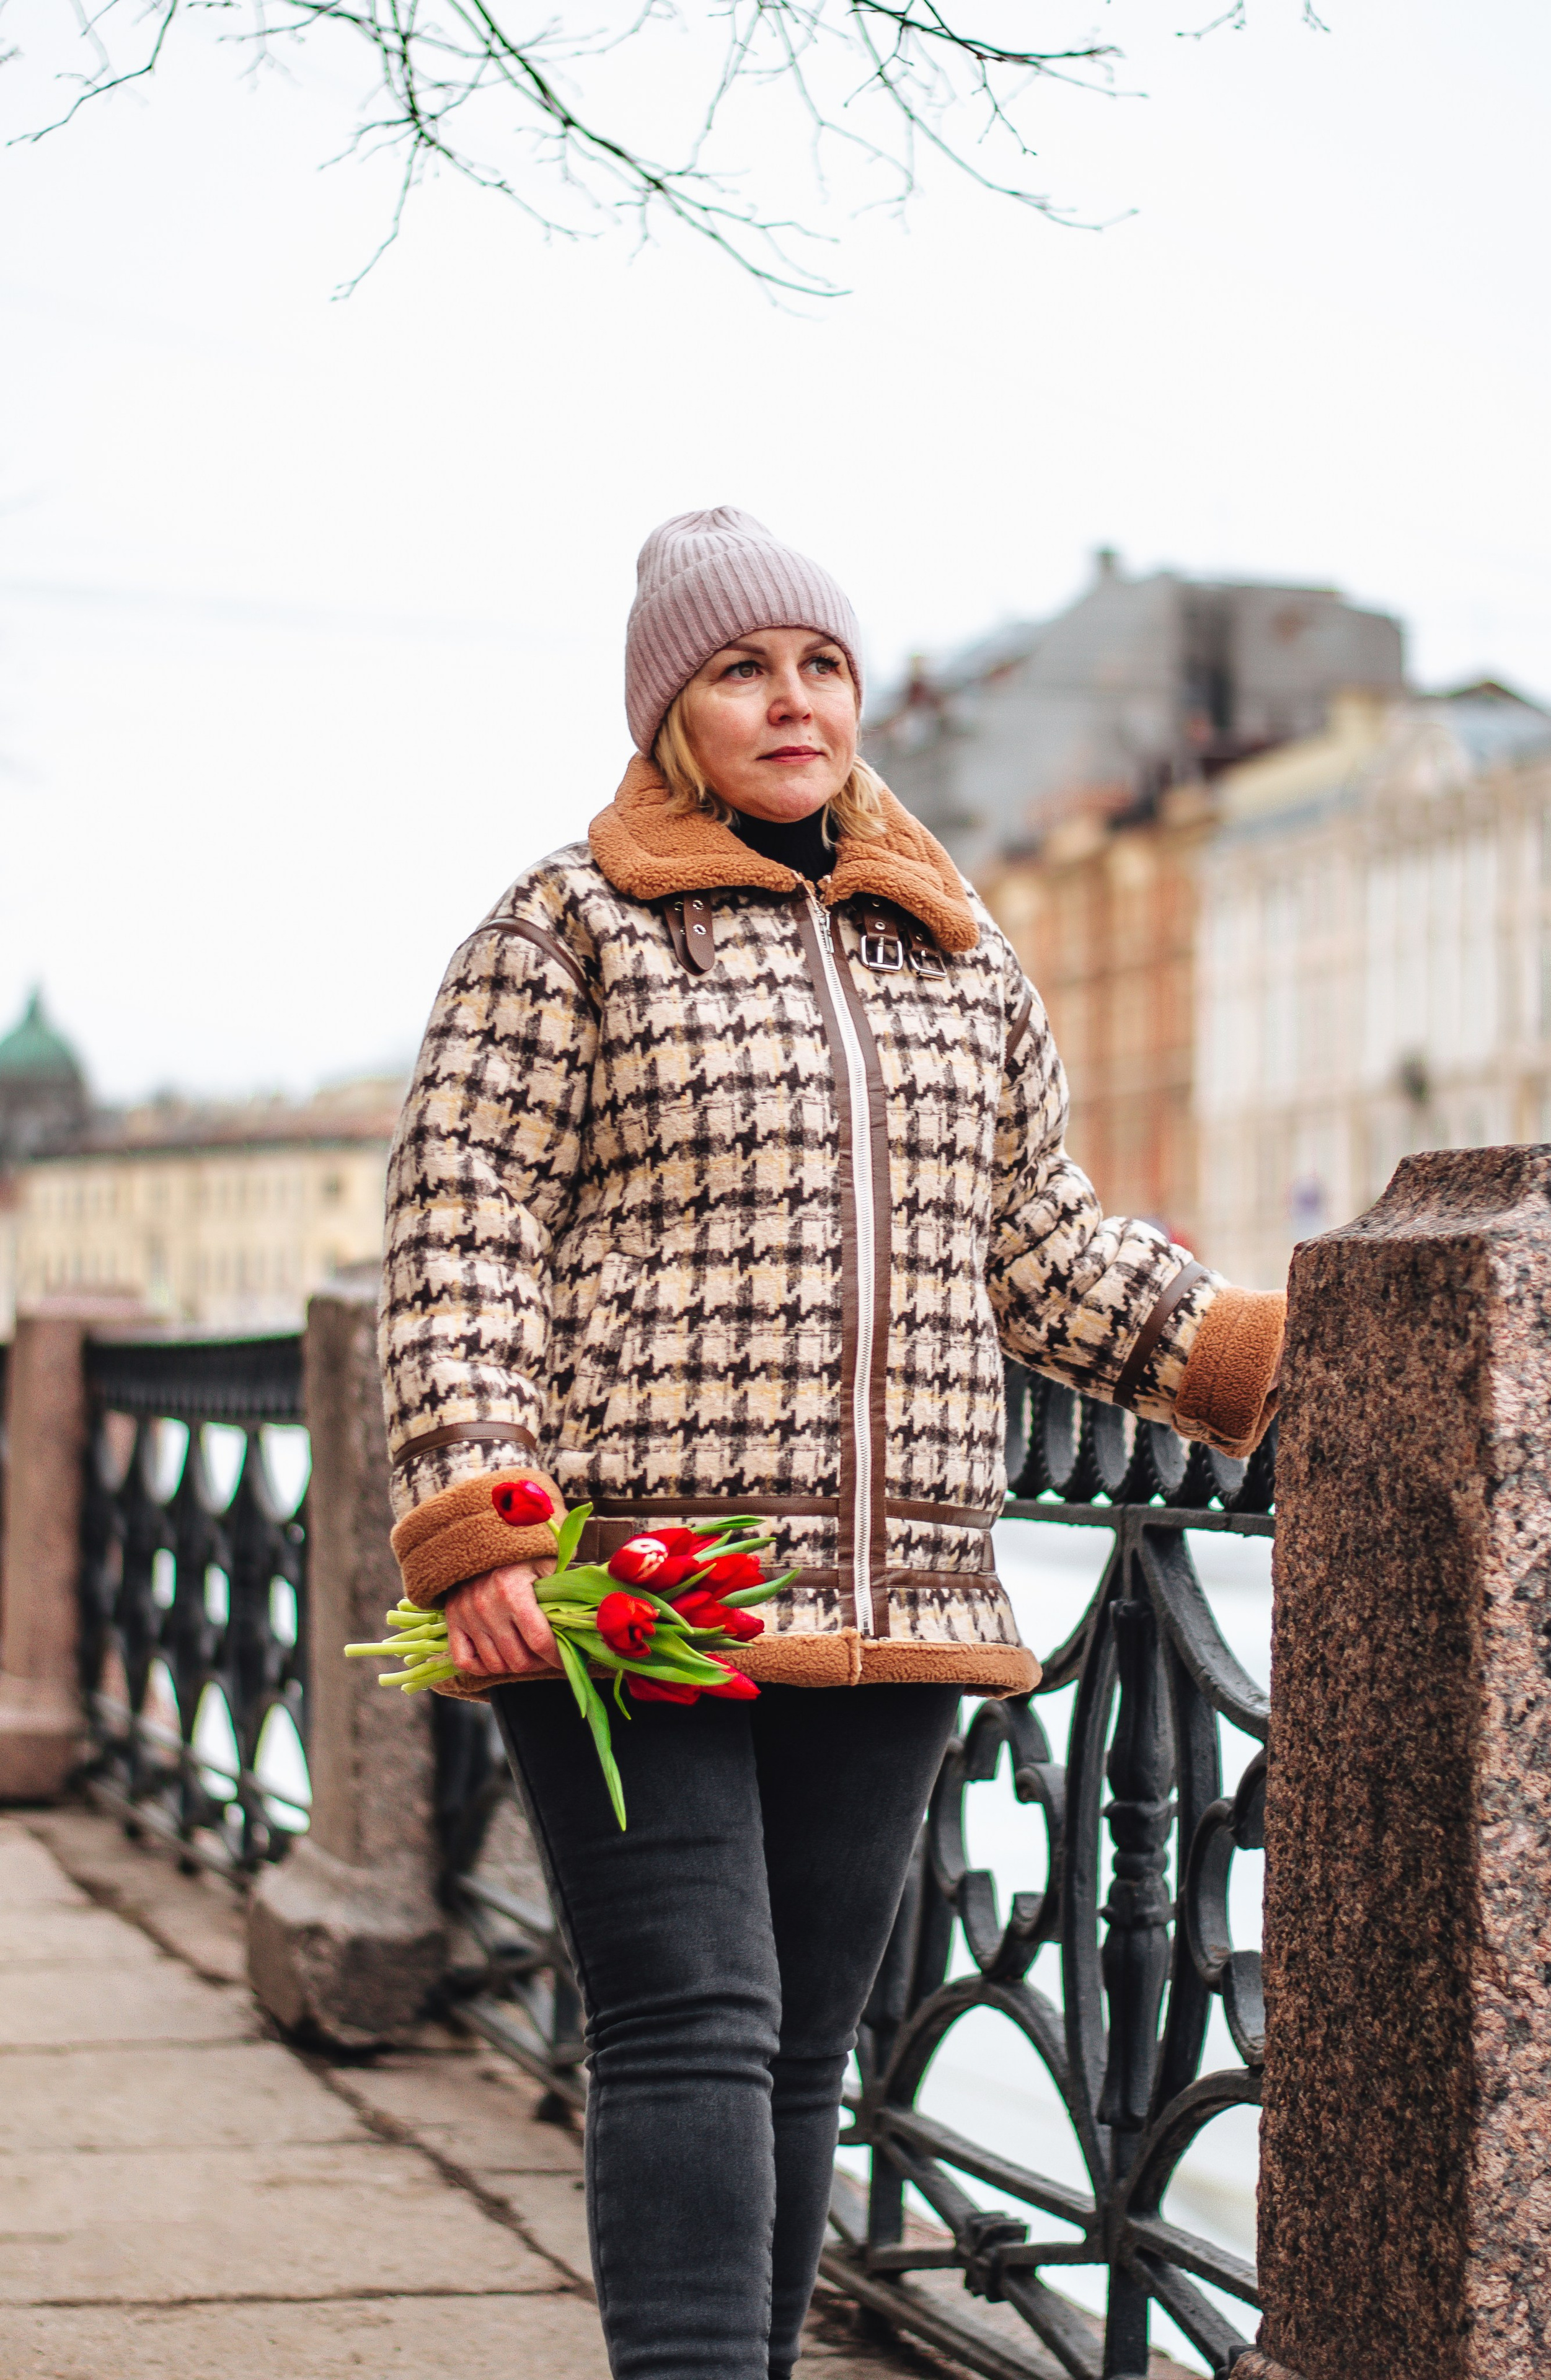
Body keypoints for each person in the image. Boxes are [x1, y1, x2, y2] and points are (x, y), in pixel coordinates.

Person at [378, 507, 1284, 2380]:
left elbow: (1037, 1248)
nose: (790, 701)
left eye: (820, 664)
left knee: (802, 2041)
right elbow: (463, 1223)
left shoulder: (958, 950)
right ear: (669, 714)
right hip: (643, 1579)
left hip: (901, 1587)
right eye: (740, 669)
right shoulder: (567, 929)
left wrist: (1266, 1355)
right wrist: (475, 1522)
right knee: (694, 2014)